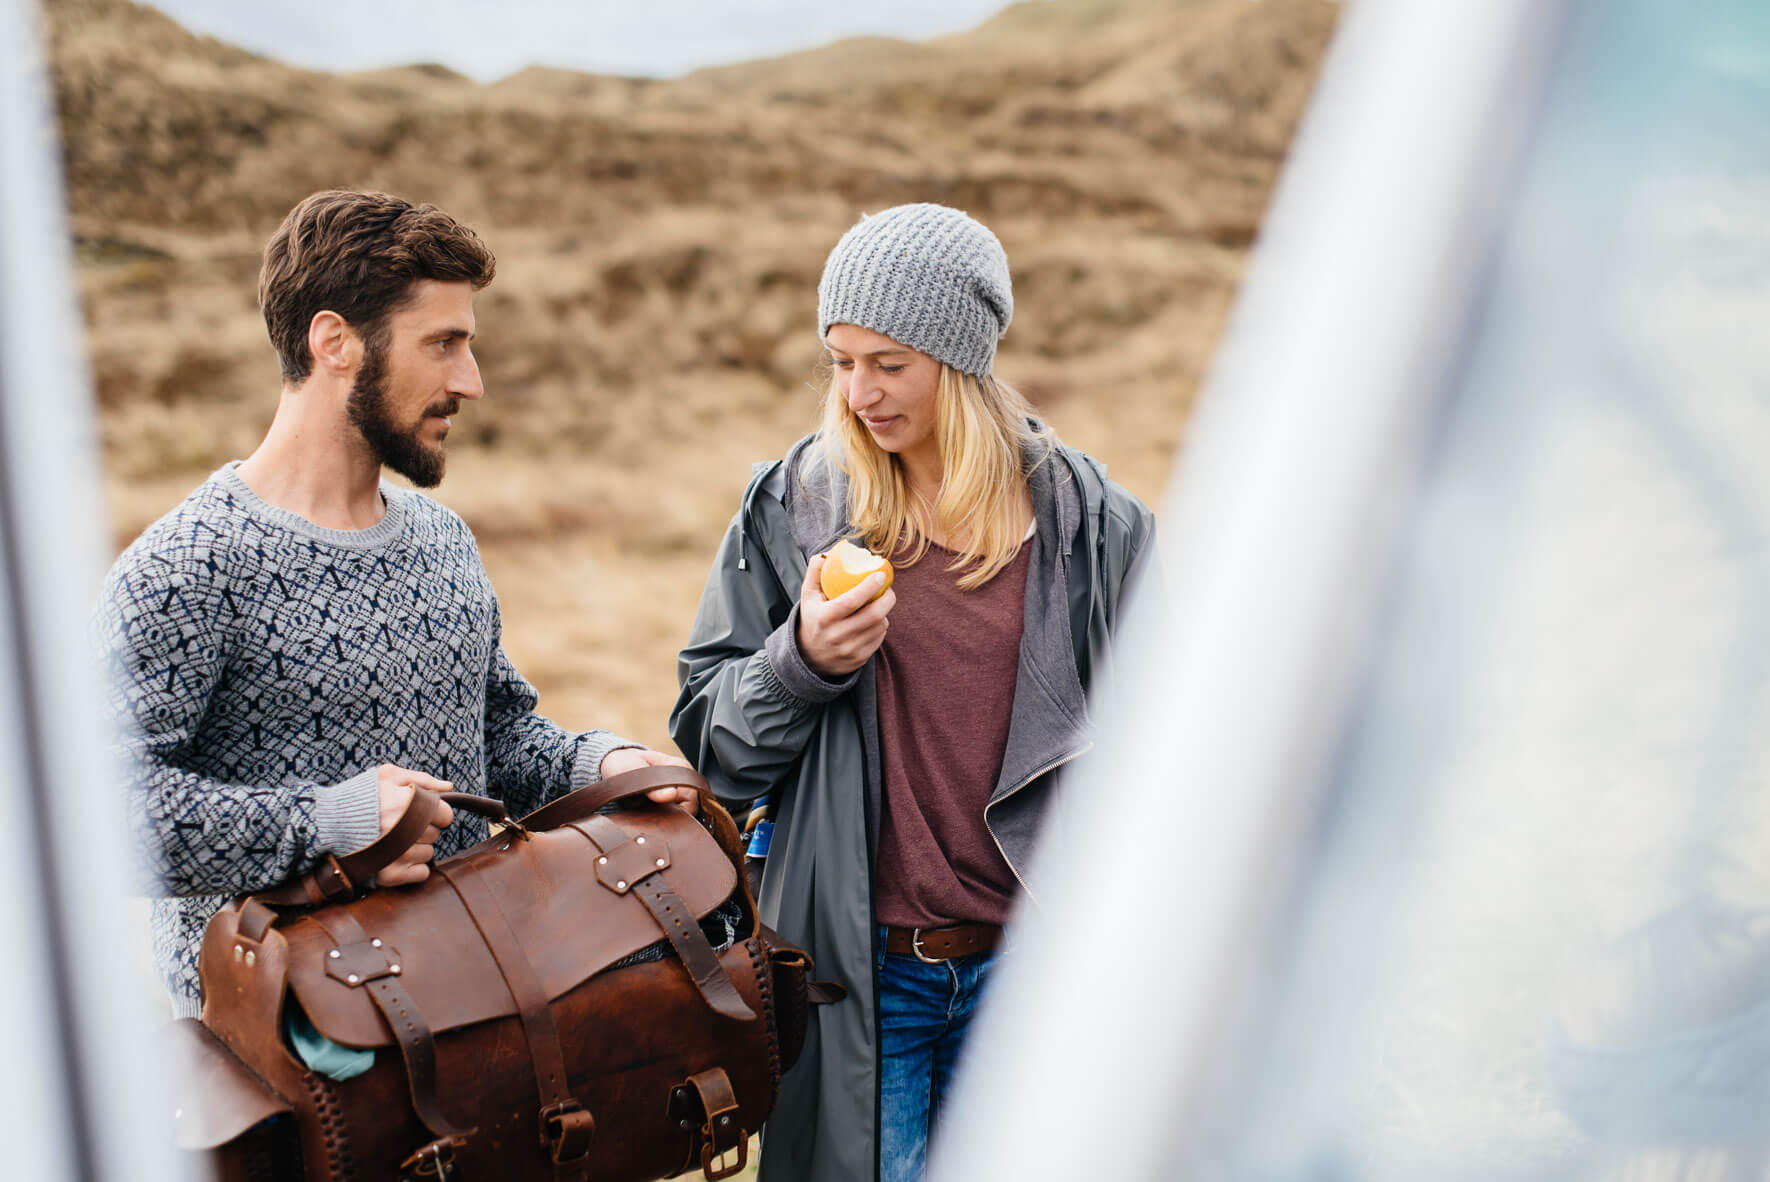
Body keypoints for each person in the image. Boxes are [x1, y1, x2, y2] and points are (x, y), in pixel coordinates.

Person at [97, 189, 697, 1020]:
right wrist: (331, 821)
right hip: (280, 1080)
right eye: (443, 344)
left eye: (469, 345)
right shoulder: (188, 565)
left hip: (480, 1023)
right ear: (334, 342)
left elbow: (494, 733)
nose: (471, 382)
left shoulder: (442, 538)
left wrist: (599, 766)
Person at [670, 202, 1158, 1182]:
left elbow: (1175, 752)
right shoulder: (794, 512)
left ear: (961, 356)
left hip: (1041, 979)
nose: (857, 392)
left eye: (888, 363)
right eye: (841, 361)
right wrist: (798, 661)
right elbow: (712, 751)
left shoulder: (1097, 531)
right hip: (857, 980)